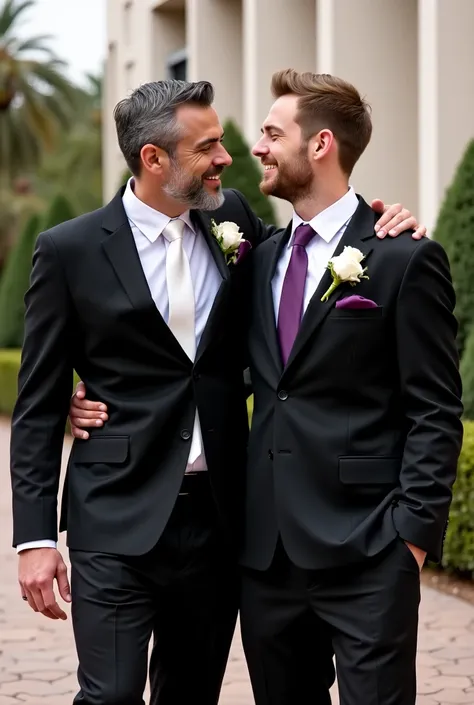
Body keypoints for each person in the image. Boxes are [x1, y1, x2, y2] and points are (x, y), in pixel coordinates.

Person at [36, 80, 420, 705]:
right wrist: (35, 537)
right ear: (154, 159)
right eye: (208, 145)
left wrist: (380, 227)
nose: (229, 156)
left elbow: (300, 302)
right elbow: (35, 400)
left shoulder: (235, 221)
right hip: (113, 513)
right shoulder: (69, 250)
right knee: (108, 696)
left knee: (190, 693)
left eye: (232, 140)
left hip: (220, 523)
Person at [234, 70, 463, 705]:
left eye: (273, 133)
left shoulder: (403, 258)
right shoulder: (258, 260)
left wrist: (409, 544)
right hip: (268, 561)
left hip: (368, 552)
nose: (258, 146)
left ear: (320, 144)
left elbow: (436, 411)